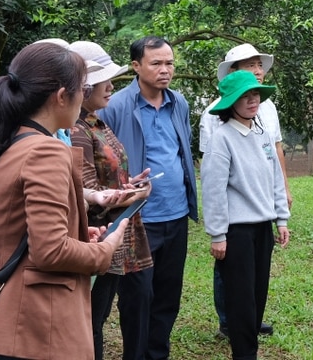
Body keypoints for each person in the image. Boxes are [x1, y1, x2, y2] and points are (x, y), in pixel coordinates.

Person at [0, 41, 129, 360]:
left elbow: (12, 228)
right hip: (32, 332)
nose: (85, 96)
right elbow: (49, 251)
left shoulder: (5, 143)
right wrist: (103, 251)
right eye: (84, 88)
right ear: (62, 96)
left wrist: (77, 234)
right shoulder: (45, 151)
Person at [98, 36, 198, 360]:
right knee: (138, 297)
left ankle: (158, 354)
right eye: (156, 63)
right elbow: (102, 159)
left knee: (168, 295)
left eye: (169, 63)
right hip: (137, 219)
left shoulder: (178, 103)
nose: (165, 70)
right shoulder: (115, 107)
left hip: (175, 215)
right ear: (136, 66)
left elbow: (183, 151)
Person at [69, 40, 155, 360]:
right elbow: (85, 192)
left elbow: (99, 182)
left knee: (98, 317)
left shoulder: (95, 121)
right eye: (103, 80)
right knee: (91, 321)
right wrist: (132, 194)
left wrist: (127, 184)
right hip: (98, 235)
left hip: (110, 232)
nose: (110, 86)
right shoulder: (78, 129)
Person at [199, 43, 291, 338]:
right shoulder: (214, 116)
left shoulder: (267, 110)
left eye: (259, 64)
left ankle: (248, 319)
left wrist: (282, 202)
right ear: (232, 73)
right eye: (249, 65)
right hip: (235, 217)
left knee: (255, 278)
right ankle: (230, 321)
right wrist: (218, 230)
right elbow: (213, 176)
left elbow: (275, 152)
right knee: (231, 272)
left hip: (262, 210)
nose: (257, 70)